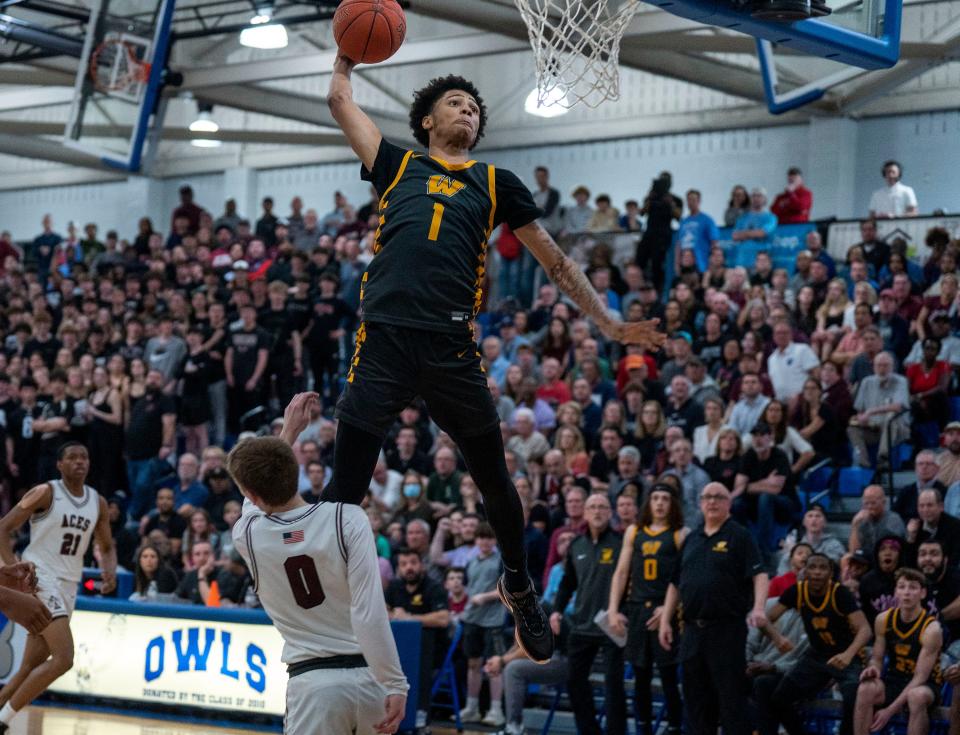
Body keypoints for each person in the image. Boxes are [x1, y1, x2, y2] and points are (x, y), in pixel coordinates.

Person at [325, 59, 664, 662]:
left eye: (474, 108)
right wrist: (345, 57)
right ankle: (325, 603)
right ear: (427, 120)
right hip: (384, 340)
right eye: (456, 102)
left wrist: (607, 323)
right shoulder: (396, 164)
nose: (469, 111)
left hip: (451, 344)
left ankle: (518, 584)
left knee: (495, 481)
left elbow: (555, 261)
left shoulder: (495, 180)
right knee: (343, 488)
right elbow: (340, 102)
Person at [229, 393, 408, 735]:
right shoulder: (348, 518)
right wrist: (395, 682)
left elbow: (253, 497)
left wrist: (288, 432)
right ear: (296, 470)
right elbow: (369, 611)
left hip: (313, 686)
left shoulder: (248, 535)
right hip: (372, 679)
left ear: (251, 495)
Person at [0, 443, 116, 732]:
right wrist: (12, 567)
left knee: (30, 665)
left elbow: (107, 545)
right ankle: (3, 722)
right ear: (59, 465)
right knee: (64, 659)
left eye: (84, 457)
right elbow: (3, 527)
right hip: (39, 577)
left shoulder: (97, 502)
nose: (80, 462)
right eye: (72, 458)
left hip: (68, 584)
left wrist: (109, 572)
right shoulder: (45, 492)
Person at [659, 482, 768, 735]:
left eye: (718, 497)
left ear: (728, 503)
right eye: (707, 497)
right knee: (696, 702)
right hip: (692, 631)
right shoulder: (691, 538)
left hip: (726, 630)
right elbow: (675, 583)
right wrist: (665, 620)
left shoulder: (739, 535)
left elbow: (760, 574)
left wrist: (759, 608)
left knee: (731, 701)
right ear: (700, 503)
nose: (712, 502)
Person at [759, 553, 872, 735]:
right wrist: (777, 638)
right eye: (813, 567)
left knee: (853, 699)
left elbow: (865, 630)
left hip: (847, 655)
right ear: (805, 571)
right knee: (779, 698)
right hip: (817, 655)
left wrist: (848, 654)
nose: (817, 572)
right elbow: (765, 619)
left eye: (823, 568)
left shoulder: (840, 593)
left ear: (830, 573)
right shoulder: (797, 591)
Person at [608, 484, 686, 735]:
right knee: (640, 677)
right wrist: (612, 609)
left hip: (666, 612)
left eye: (665, 498)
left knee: (668, 676)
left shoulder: (680, 533)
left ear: (673, 503)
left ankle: (674, 727)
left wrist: (668, 609)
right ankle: (643, 728)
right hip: (638, 609)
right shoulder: (634, 531)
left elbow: (685, 577)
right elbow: (621, 572)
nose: (660, 503)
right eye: (655, 498)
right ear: (648, 503)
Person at [550, 492, 626, 735]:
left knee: (613, 685)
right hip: (582, 623)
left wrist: (623, 612)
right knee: (574, 681)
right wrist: (557, 611)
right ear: (584, 513)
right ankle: (590, 731)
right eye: (592, 507)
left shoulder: (622, 542)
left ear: (610, 512)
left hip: (612, 623)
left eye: (602, 507)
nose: (597, 511)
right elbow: (567, 583)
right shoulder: (576, 544)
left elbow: (630, 580)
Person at [853, 568, 941, 735]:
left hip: (925, 685)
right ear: (895, 592)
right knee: (865, 688)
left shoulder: (932, 629)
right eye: (901, 587)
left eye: (913, 587)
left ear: (922, 593)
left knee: (916, 696)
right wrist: (874, 668)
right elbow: (877, 659)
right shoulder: (883, 619)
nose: (906, 592)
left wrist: (889, 711)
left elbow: (920, 677)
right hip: (894, 679)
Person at [458, 522, 507, 728]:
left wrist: (485, 597)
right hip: (473, 619)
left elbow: (507, 589)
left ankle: (496, 710)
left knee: (494, 666)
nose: (485, 542)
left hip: (493, 621)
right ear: (476, 540)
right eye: (481, 537)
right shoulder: (472, 562)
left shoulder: (500, 562)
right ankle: (472, 707)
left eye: (489, 538)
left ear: (494, 540)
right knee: (473, 664)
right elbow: (468, 588)